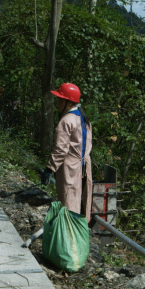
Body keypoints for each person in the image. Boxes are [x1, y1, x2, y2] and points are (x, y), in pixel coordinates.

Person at [40, 83, 93, 222]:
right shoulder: (84, 119)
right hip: (84, 166)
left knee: (68, 200)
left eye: (59, 100)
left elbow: (60, 149)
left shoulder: (66, 120)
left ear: (68, 102)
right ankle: (80, 229)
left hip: (70, 167)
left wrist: (49, 168)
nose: (57, 103)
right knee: (82, 201)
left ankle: (69, 232)